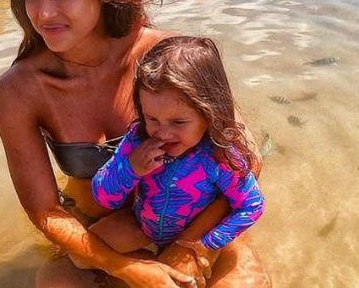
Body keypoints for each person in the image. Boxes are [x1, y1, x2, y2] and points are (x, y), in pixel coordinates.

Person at [0, 0, 271, 288]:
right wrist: (127, 268)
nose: (44, 13)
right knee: (53, 282)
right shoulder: (19, 91)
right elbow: (45, 211)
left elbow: (246, 158)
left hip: (197, 219)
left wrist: (192, 249)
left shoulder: (163, 58)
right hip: (107, 230)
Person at [90, 36, 265, 264]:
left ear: (208, 114)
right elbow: (103, 197)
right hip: (142, 226)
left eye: (178, 122)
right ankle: (148, 265)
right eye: (151, 118)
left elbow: (251, 206)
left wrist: (207, 243)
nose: (162, 133)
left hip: (194, 236)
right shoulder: (138, 140)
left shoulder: (218, 156)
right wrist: (130, 168)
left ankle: (158, 265)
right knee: (83, 253)